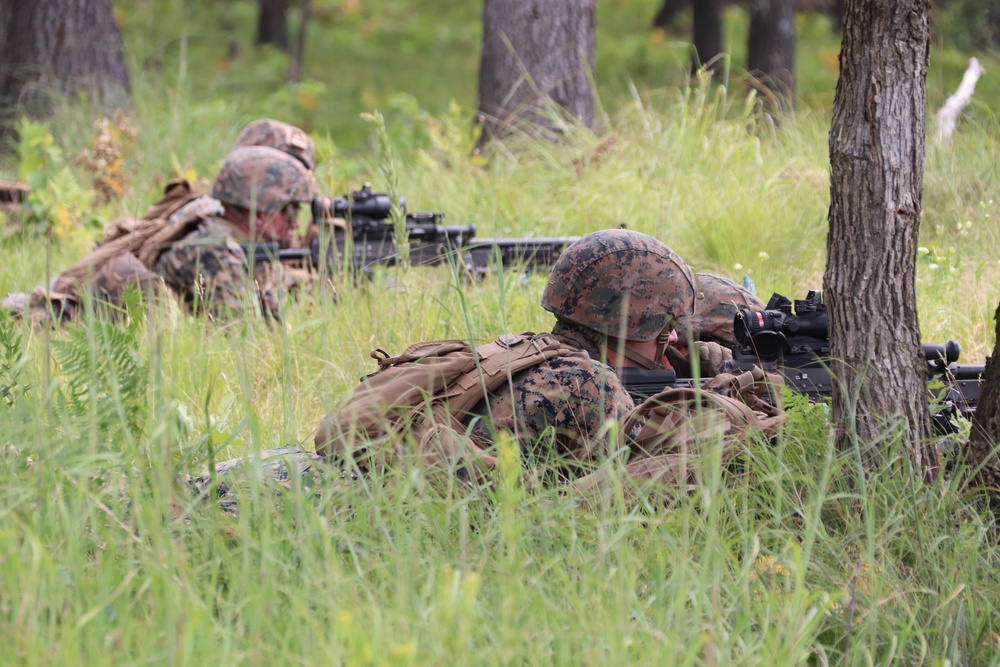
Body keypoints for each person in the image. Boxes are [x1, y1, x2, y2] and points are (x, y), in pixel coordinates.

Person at [193, 229, 711, 507]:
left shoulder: (530, 351)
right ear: (637, 319)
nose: (668, 341)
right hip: (339, 504)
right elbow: (655, 466)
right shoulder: (590, 385)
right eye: (663, 327)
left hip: (304, 471)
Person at [2, 119, 316, 324]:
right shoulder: (213, 248)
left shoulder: (226, 230)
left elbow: (272, 281)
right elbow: (245, 341)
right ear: (260, 209)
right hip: (55, 324)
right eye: (290, 212)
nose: (295, 226)